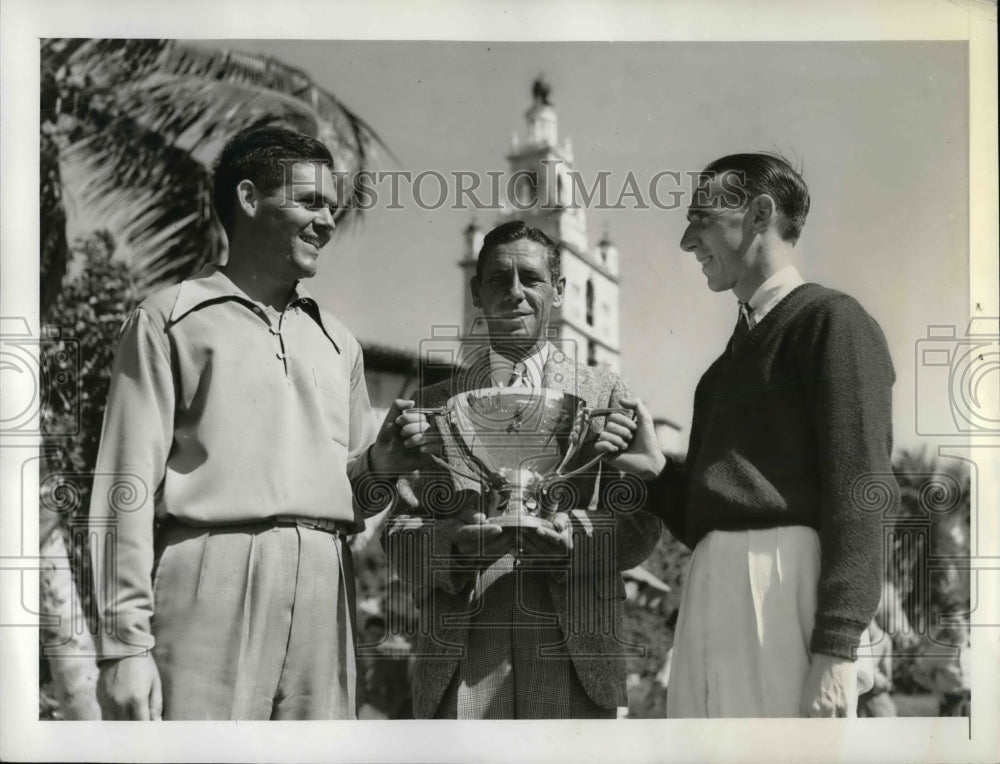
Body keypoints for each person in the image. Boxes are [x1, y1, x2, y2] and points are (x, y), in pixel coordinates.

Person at [89, 125, 431, 720]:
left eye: (333, 207)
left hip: (329, 583)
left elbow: (359, 500)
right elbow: (124, 487)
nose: (328, 222)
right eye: (310, 202)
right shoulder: (170, 319)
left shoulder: (339, 343)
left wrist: (380, 465)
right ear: (249, 199)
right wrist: (124, 646)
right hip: (209, 575)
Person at [381, 220, 665, 719]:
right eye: (498, 279)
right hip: (460, 664)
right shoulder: (432, 406)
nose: (514, 293)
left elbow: (640, 524)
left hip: (574, 660)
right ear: (477, 292)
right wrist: (452, 546)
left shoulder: (604, 395)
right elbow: (398, 533)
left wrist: (572, 536)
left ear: (558, 291)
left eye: (530, 279)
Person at [647, 153, 896, 717]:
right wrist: (654, 471)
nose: (687, 241)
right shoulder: (717, 375)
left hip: (790, 594)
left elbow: (863, 493)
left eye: (701, 218)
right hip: (709, 592)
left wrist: (836, 649)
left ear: (760, 214)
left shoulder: (833, 322)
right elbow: (710, 520)